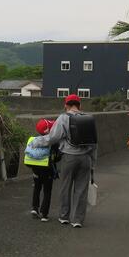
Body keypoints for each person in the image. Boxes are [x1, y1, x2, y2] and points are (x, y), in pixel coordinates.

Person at [30, 94, 97, 228]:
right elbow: (94, 143)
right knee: (81, 190)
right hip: (85, 158)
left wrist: (36, 142)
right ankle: (77, 220)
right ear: (79, 105)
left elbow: (53, 137)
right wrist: (93, 164)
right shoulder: (89, 118)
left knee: (65, 187)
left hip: (69, 157)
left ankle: (64, 216)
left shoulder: (64, 118)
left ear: (66, 105)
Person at [24, 119, 57, 222]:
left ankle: (35, 208)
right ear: (48, 130)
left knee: (37, 188)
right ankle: (44, 214)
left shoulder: (33, 139)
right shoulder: (52, 142)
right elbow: (57, 157)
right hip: (47, 169)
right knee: (47, 191)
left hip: (36, 169)